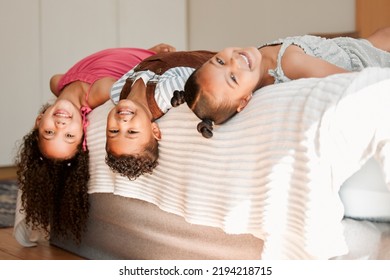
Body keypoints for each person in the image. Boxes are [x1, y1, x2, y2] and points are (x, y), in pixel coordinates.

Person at [15, 43, 175, 242]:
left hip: (134, 51)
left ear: (39, 120)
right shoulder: (101, 92)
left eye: (49, 132)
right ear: (83, 129)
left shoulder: (56, 84)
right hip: (144, 59)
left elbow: (56, 78)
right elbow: (135, 78)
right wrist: (154, 56)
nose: (60, 126)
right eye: (69, 136)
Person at [171, 26, 390, 138]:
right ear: (244, 101)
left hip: (356, 45)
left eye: (219, 60)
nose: (234, 61)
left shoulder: (257, 60)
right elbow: (356, 83)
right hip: (369, 58)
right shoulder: (289, 63)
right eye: (233, 78)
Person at [105, 50, 215, 180]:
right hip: (217, 62)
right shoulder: (164, 96)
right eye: (132, 132)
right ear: (155, 130)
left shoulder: (117, 91)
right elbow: (206, 87)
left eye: (114, 131)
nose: (122, 123)